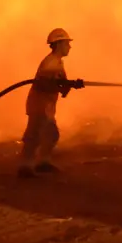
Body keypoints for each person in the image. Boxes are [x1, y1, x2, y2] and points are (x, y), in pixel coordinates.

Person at [18, 27, 84, 178]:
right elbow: (45, 85)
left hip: (47, 105)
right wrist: (66, 85)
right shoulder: (50, 62)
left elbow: (62, 88)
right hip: (39, 104)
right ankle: (25, 166)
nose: (69, 47)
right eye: (67, 43)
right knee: (35, 135)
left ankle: (42, 163)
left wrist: (71, 85)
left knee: (50, 134)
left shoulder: (58, 63)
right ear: (59, 44)